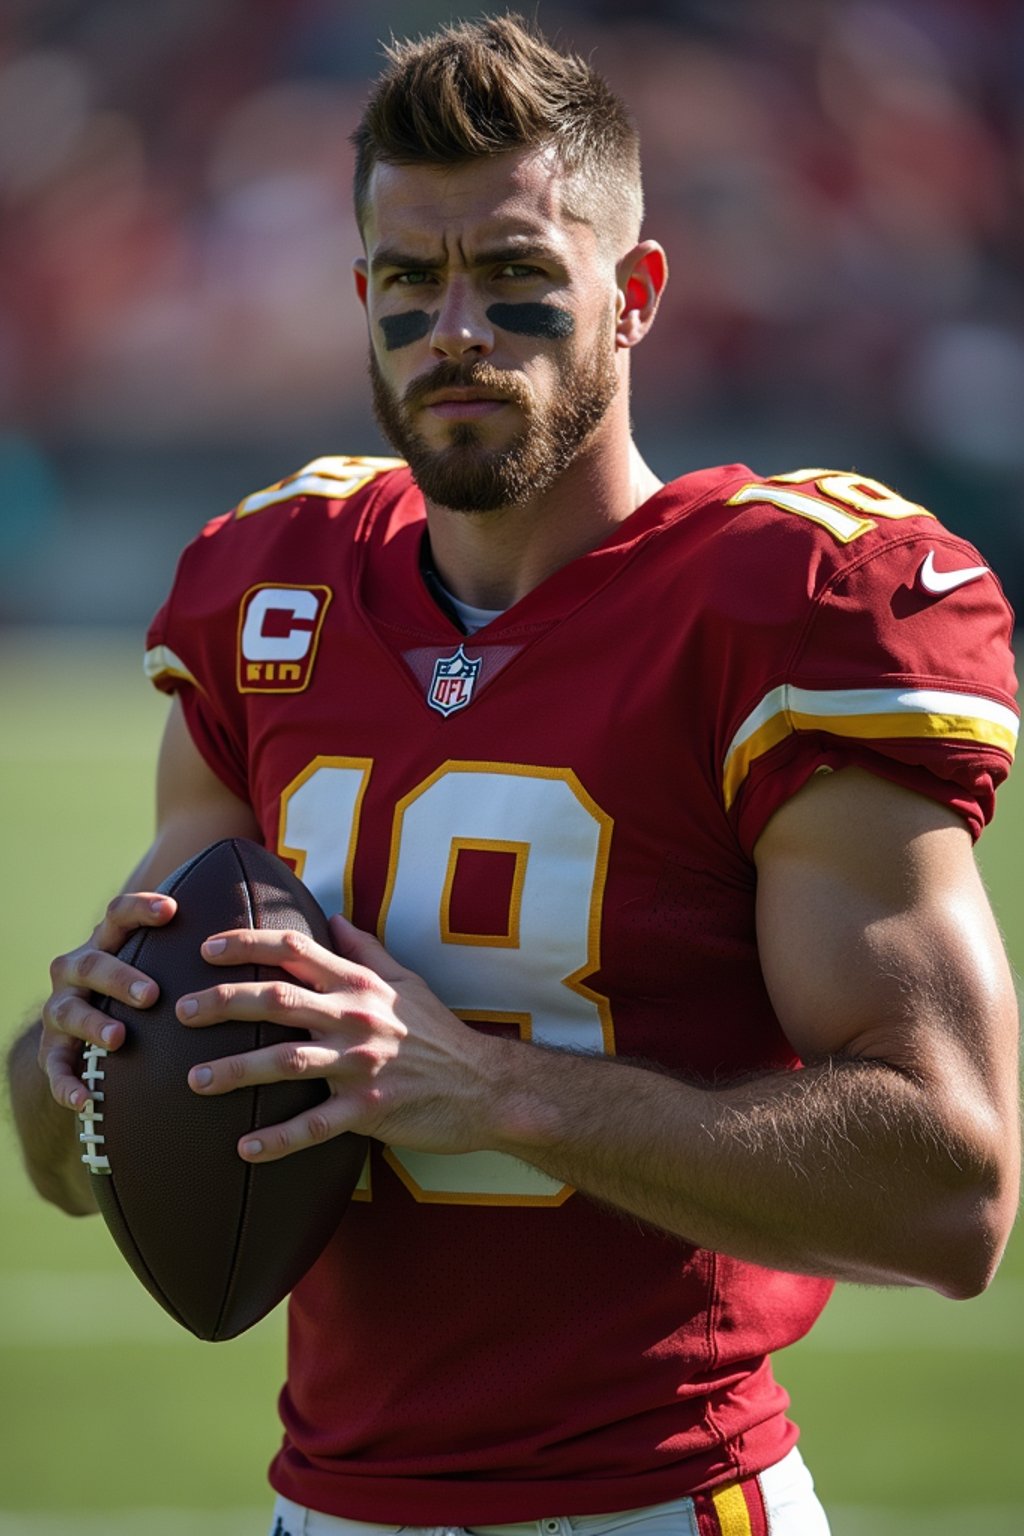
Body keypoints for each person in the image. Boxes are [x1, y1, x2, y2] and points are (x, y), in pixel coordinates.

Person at [6, 15, 1020, 1536]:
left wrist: (499, 1091)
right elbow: (69, 1153)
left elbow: (954, 1193)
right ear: (361, 298)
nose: (457, 329)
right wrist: (72, 1059)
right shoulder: (270, 592)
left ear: (635, 296)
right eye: (411, 283)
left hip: (669, 1501)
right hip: (330, 1511)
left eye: (518, 277)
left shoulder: (787, 604)